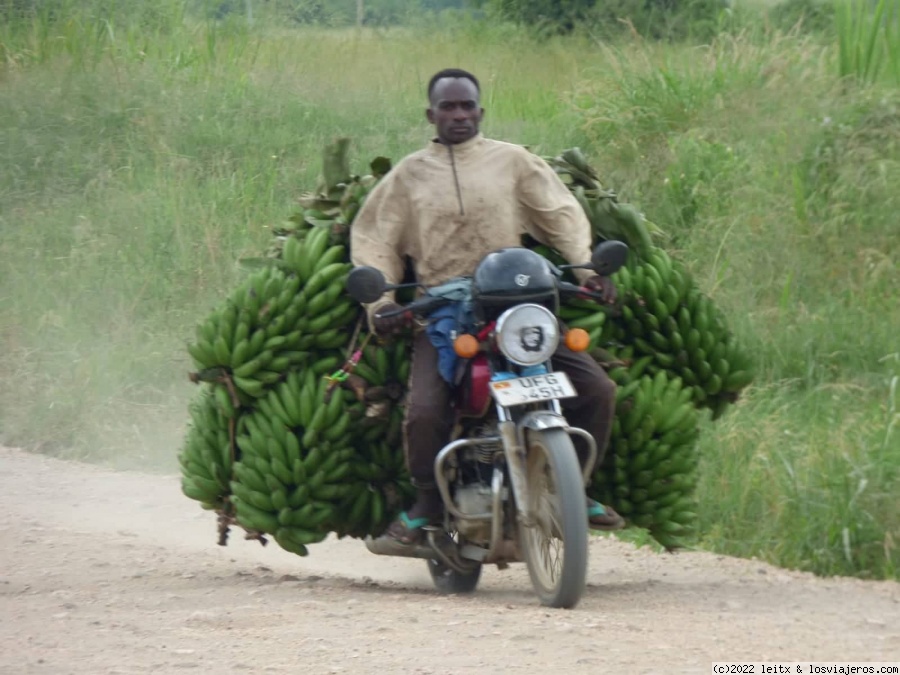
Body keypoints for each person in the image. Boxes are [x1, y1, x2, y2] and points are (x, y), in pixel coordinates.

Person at [350, 68, 624, 544]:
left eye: (467, 106)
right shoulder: (408, 176)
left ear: (481, 110)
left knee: (596, 388)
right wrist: (383, 304)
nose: (459, 115)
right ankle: (428, 505)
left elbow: (560, 215)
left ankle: (574, 489)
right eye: (449, 107)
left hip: (517, 307)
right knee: (425, 412)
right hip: (444, 312)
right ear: (430, 114)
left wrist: (587, 271)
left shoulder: (512, 161)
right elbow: (376, 238)